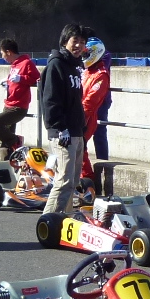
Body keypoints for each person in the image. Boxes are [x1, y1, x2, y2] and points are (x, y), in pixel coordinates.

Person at [39, 25, 88, 215]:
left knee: (72, 182)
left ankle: (63, 219)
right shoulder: (56, 65)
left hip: (76, 131)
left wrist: (81, 130)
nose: (78, 45)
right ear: (65, 41)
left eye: (82, 42)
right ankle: (48, 222)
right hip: (62, 133)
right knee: (64, 181)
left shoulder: (75, 67)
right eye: (75, 41)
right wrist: (60, 128)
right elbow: (50, 101)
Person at [0, 38, 40, 157]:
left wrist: (21, 79)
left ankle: (16, 140)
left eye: (2, 53)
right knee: (6, 144)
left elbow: (38, 79)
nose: (2, 57)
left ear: (8, 52)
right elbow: (14, 81)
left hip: (18, 107)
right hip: (8, 104)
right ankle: (7, 162)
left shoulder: (26, 63)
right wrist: (7, 81)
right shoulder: (14, 65)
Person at [81, 35, 110, 182]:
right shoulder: (87, 72)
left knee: (79, 150)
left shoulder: (101, 75)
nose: (83, 57)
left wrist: (77, 116)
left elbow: (90, 102)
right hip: (77, 114)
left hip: (86, 118)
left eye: (86, 54)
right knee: (75, 152)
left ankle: (88, 182)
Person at [91, 43, 113, 161]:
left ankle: (103, 160)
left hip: (102, 100)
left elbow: (97, 66)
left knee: (100, 132)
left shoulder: (105, 54)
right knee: (80, 134)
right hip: (83, 99)